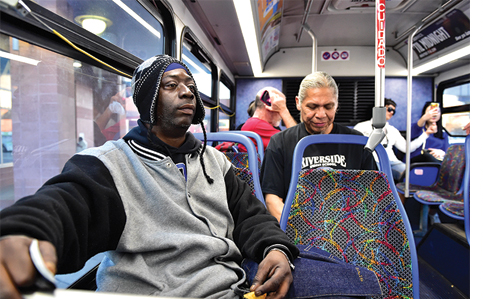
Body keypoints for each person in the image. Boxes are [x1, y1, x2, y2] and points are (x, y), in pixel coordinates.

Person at [0, 55, 297, 299]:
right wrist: (26, 232)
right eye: (171, 85)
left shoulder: (216, 161)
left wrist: (275, 247)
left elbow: (250, 216)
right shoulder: (110, 164)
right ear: (148, 102)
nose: (187, 91)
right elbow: (65, 204)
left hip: (230, 290)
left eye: (190, 85)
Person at [261, 71, 375, 221]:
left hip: (348, 227)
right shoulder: (280, 143)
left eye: (328, 107)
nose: (321, 114)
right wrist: (301, 230)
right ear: (298, 103)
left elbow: (373, 195)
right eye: (312, 106)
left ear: (337, 104)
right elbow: (272, 199)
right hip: (297, 228)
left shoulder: (357, 142)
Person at [354, 98, 434, 181]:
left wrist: (426, 134)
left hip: (391, 162)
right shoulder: (361, 127)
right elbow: (354, 148)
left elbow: (407, 148)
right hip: (371, 160)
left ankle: (405, 193)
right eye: (389, 109)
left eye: (393, 111)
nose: (391, 112)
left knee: (411, 174)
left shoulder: (392, 130)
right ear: (380, 109)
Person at [239, 87, 297, 151]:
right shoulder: (257, 125)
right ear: (269, 106)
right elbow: (297, 142)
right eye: (279, 107)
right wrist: (283, 110)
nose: (281, 115)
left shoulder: (253, 123)